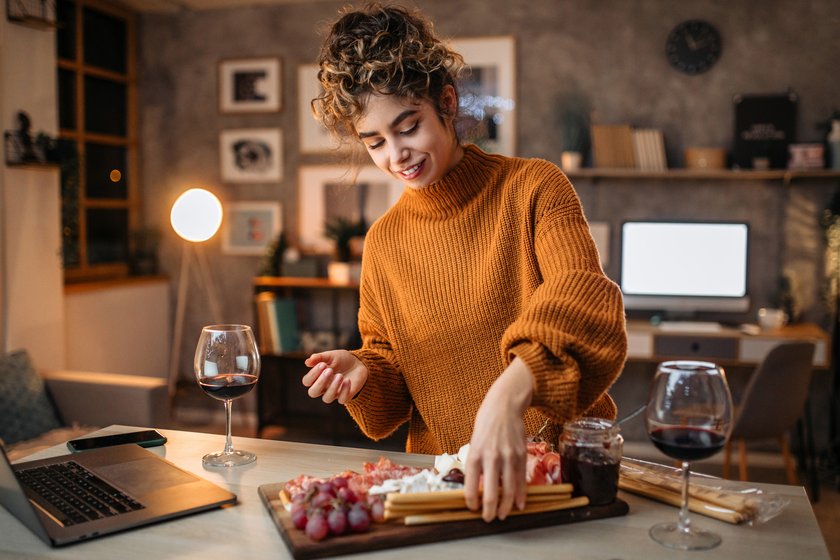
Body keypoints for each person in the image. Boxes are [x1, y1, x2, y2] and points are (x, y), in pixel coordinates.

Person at [302, 3, 627, 522]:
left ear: (446, 104)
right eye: (376, 143)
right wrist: (362, 371)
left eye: (408, 128)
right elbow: (391, 388)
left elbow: (583, 297)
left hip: (562, 481)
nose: (396, 156)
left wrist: (508, 397)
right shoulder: (385, 241)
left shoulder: (534, 188)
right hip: (450, 492)